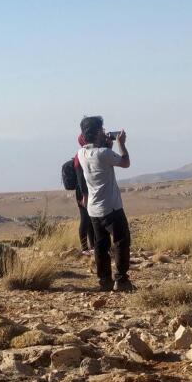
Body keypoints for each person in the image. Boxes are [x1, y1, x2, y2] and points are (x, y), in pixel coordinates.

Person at [77, 116, 134, 292]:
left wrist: (106, 144)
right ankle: (121, 279)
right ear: (96, 132)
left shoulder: (81, 154)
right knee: (122, 242)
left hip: (94, 209)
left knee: (101, 246)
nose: (104, 132)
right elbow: (125, 163)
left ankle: (104, 281)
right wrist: (121, 144)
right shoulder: (104, 154)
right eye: (101, 130)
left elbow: (100, 158)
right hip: (111, 207)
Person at [73, 134, 95, 254]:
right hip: (83, 191)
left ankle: (92, 246)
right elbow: (81, 178)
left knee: (91, 219)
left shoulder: (87, 154)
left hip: (88, 190)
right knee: (85, 219)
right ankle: (85, 248)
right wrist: (84, 195)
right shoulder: (80, 156)